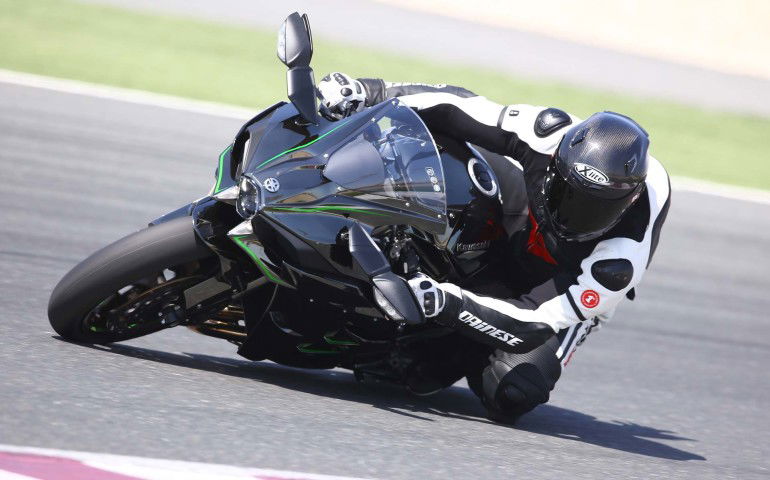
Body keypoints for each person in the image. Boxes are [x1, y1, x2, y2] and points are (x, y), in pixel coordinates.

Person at [317, 73, 672, 423]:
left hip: (560, 281)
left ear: (629, 202)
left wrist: (444, 302)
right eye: (570, 195)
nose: (576, 217)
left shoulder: (617, 263)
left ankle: (450, 349)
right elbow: (459, 107)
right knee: (444, 153)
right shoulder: (547, 135)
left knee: (513, 390)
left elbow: (535, 321)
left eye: (596, 209)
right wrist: (369, 92)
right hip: (523, 214)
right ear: (555, 163)